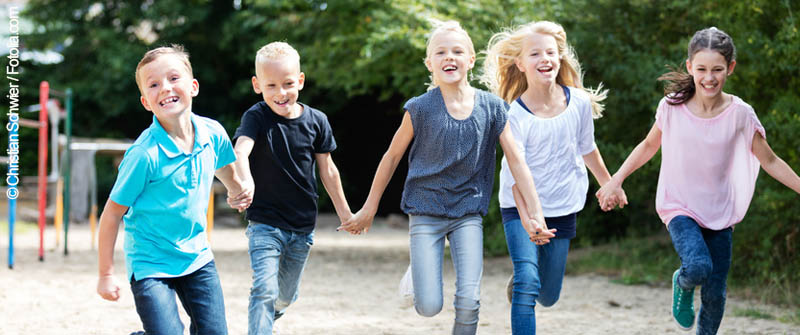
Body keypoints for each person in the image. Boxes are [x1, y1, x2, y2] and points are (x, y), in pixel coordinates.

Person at [339, 20, 550, 335]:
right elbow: (391, 157)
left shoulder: (493, 109)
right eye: (440, 52)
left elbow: (517, 161)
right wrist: (368, 209)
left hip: (468, 213)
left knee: (469, 302)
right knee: (429, 307)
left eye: (456, 51)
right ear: (430, 63)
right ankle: (418, 274)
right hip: (425, 211)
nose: (449, 57)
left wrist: (535, 215)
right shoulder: (420, 109)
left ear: (470, 60)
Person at [596, 27, 800, 334]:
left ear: (730, 68)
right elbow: (649, 145)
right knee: (698, 268)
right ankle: (682, 282)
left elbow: (769, 159)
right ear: (690, 67)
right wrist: (616, 180)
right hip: (680, 206)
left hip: (721, 212)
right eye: (702, 69)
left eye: (717, 69)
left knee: (716, 295)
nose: (709, 77)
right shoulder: (672, 107)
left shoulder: (740, 114)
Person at [95, 45, 252, 335]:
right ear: (145, 101)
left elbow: (224, 166)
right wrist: (106, 274)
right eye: (154, 84)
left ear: (193, 87)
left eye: (173, 78)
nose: (165, 88)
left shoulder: (213, 133)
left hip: (197, 257)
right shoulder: (144, 154)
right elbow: (111, 214)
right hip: (151, 264)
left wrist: (236, 189)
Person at [479, 20, 619, 334]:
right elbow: (517, 174)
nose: (545, 58)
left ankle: (521, 285)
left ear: (560, 57)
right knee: (529, 282)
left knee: (548, 295)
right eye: (535, 53)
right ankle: (522, 283)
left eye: (551, 52)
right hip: (519, 208)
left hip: (563, 205)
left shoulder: (579, 103)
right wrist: (530, 219)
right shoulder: (513, 114)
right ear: (520, 63)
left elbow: (588, 148)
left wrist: (609, 183)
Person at [232, 41, 353, 335]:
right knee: (263, 288)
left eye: (287, 83)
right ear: (257, 85)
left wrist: (346, 214)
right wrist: (243, 181)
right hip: (265, 224)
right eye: (271, 85)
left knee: (284, 295)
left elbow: (328, 171)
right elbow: (240, 151)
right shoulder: (256, 117)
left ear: (300, 80)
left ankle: (267, 318)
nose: (280, 93)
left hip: (301, 225)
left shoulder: (317, 121)